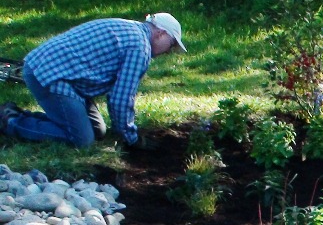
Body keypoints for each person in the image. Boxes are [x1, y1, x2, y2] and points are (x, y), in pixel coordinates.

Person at [0, 13, 186, 148]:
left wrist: (124, 130)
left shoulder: (129, 27)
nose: (168, 52)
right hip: (52, 77)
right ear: (160, 34)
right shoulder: (140, 49)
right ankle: (12, 122)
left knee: (97, 130)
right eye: (171, 45)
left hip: (60, 74)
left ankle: (17, 114)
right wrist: (132, 138)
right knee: (82, 140)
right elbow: (120, 99)